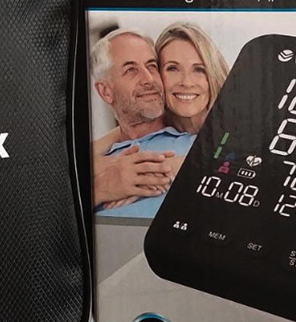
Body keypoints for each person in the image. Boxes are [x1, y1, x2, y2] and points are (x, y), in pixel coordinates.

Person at [92, 24, 229, 219]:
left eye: (151, 66)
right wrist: (101, 187)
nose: (148, 79)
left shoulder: (208, 146)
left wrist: (168, 167)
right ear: (106, 91)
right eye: (131, 70)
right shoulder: (98, 162)